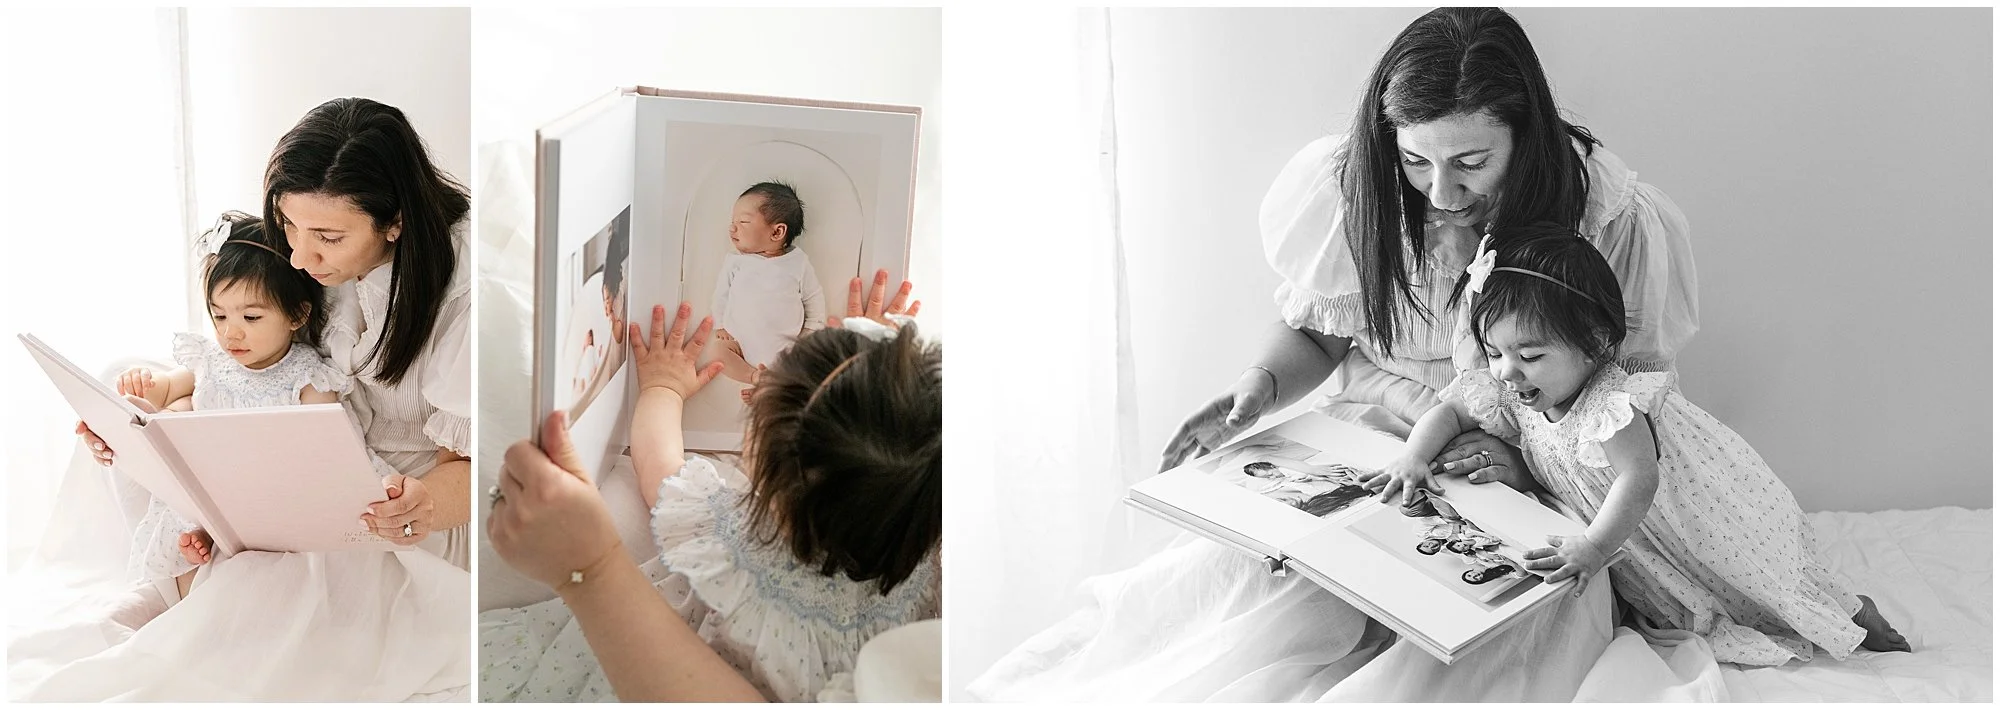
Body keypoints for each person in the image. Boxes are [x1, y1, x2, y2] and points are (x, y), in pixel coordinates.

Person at [973, 8, 1696, 701]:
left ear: (1525, 138)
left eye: (1472, 163)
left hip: (1523, 472)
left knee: (1491, 638)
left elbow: (1623, 406)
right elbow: (1319, 334)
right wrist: (1260, 386)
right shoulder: (1355, 191)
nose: (1442, 191)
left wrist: (1525, 458)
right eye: (1416, 161)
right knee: (1259, 596)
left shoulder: (1608, 216)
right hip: (1375, 438)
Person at [29, 97, 472, 701]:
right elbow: (258, 353)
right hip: (302, 433)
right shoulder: (313, 249)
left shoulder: (462, 298)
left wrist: (417, 505)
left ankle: (199, 595)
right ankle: (178, 575)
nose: (300, 257)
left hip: (400, 489)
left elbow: (467, 468)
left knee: (279, 587)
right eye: (288, 225)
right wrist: (160, 420)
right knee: (125, 390)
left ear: (394, 222)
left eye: (327, 238)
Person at [1367, 225, 1908, 664]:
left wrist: (1594, 546)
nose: (1507, 371)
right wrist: (1414, 455)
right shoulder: (1512, 391)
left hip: (1687, 513)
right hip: (1639, 532)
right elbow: (1449, 411)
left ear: (1594, 344)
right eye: (1494, 352)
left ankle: (1856, 614)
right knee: (1693, 598)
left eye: (1530, 356)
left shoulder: (1612, 405)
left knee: (1757, 577)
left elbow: (1639, 477)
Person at [482, 271, 938, 702]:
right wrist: (883, 391)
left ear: (775, 495)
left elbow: (658, 463)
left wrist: (663, 387)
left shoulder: (729, 541)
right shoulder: (925, 575)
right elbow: (900, 456)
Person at [104, 212, 386, 628]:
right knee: (184, 525)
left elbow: (328, 446)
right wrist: (143, 386)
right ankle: (177, 598)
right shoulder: (212, 361)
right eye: (219, 316)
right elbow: (164, 390)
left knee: (254, 572)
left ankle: (206, 607)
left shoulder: (307, 378)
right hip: (210, 492)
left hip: (268, 500)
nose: (231, 333)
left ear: (297, 315)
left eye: (251, 318)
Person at [713, 181, 829, 382]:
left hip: (787, 346)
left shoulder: (797, 262)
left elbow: (813, 296)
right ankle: (753, 376)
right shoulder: (736, 262)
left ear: (777, 232)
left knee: (808, 363)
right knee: (717, 353)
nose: (732, 228)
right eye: (733, 221)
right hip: (739, 343)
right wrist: (720, 324)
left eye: (743, 222)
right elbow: (721, 294)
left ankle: (775, 386)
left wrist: (812, 328)